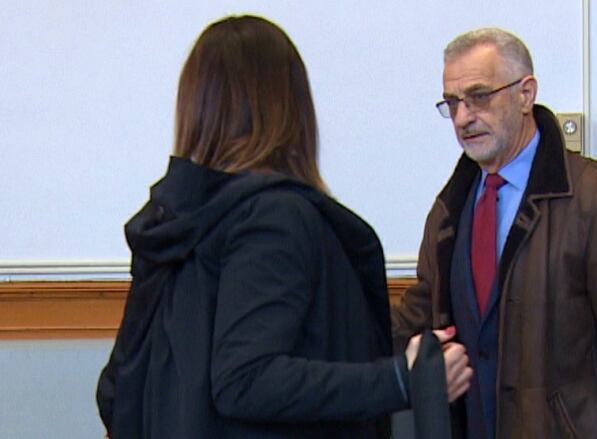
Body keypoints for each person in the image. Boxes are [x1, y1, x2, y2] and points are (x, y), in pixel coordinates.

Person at [96, 15, 471, 439]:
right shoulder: (273, 218)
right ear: (290, 104)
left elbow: (117, 391)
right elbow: (245, 379)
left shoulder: (172, 221)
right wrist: (401, 380)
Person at [392, 27, 597, 438]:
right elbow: (416, 321)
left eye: (479, 96)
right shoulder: (449, 210)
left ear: (525, 94)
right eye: (452, 103)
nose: (463, 117)